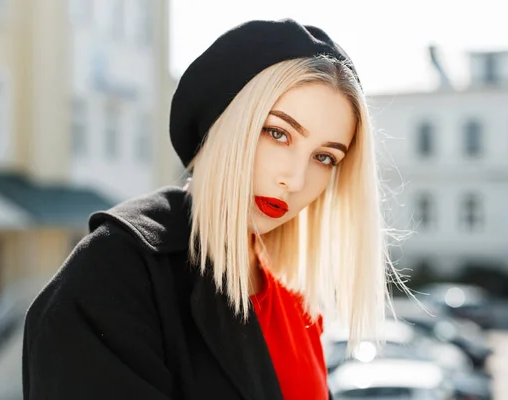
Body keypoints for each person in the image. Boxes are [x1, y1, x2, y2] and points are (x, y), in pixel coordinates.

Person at [22, 18, 411, 400]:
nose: (294, 179)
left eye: (325, 157)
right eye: (277, 133)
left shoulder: (293, 298)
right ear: (222, 123)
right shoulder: (114, 276)